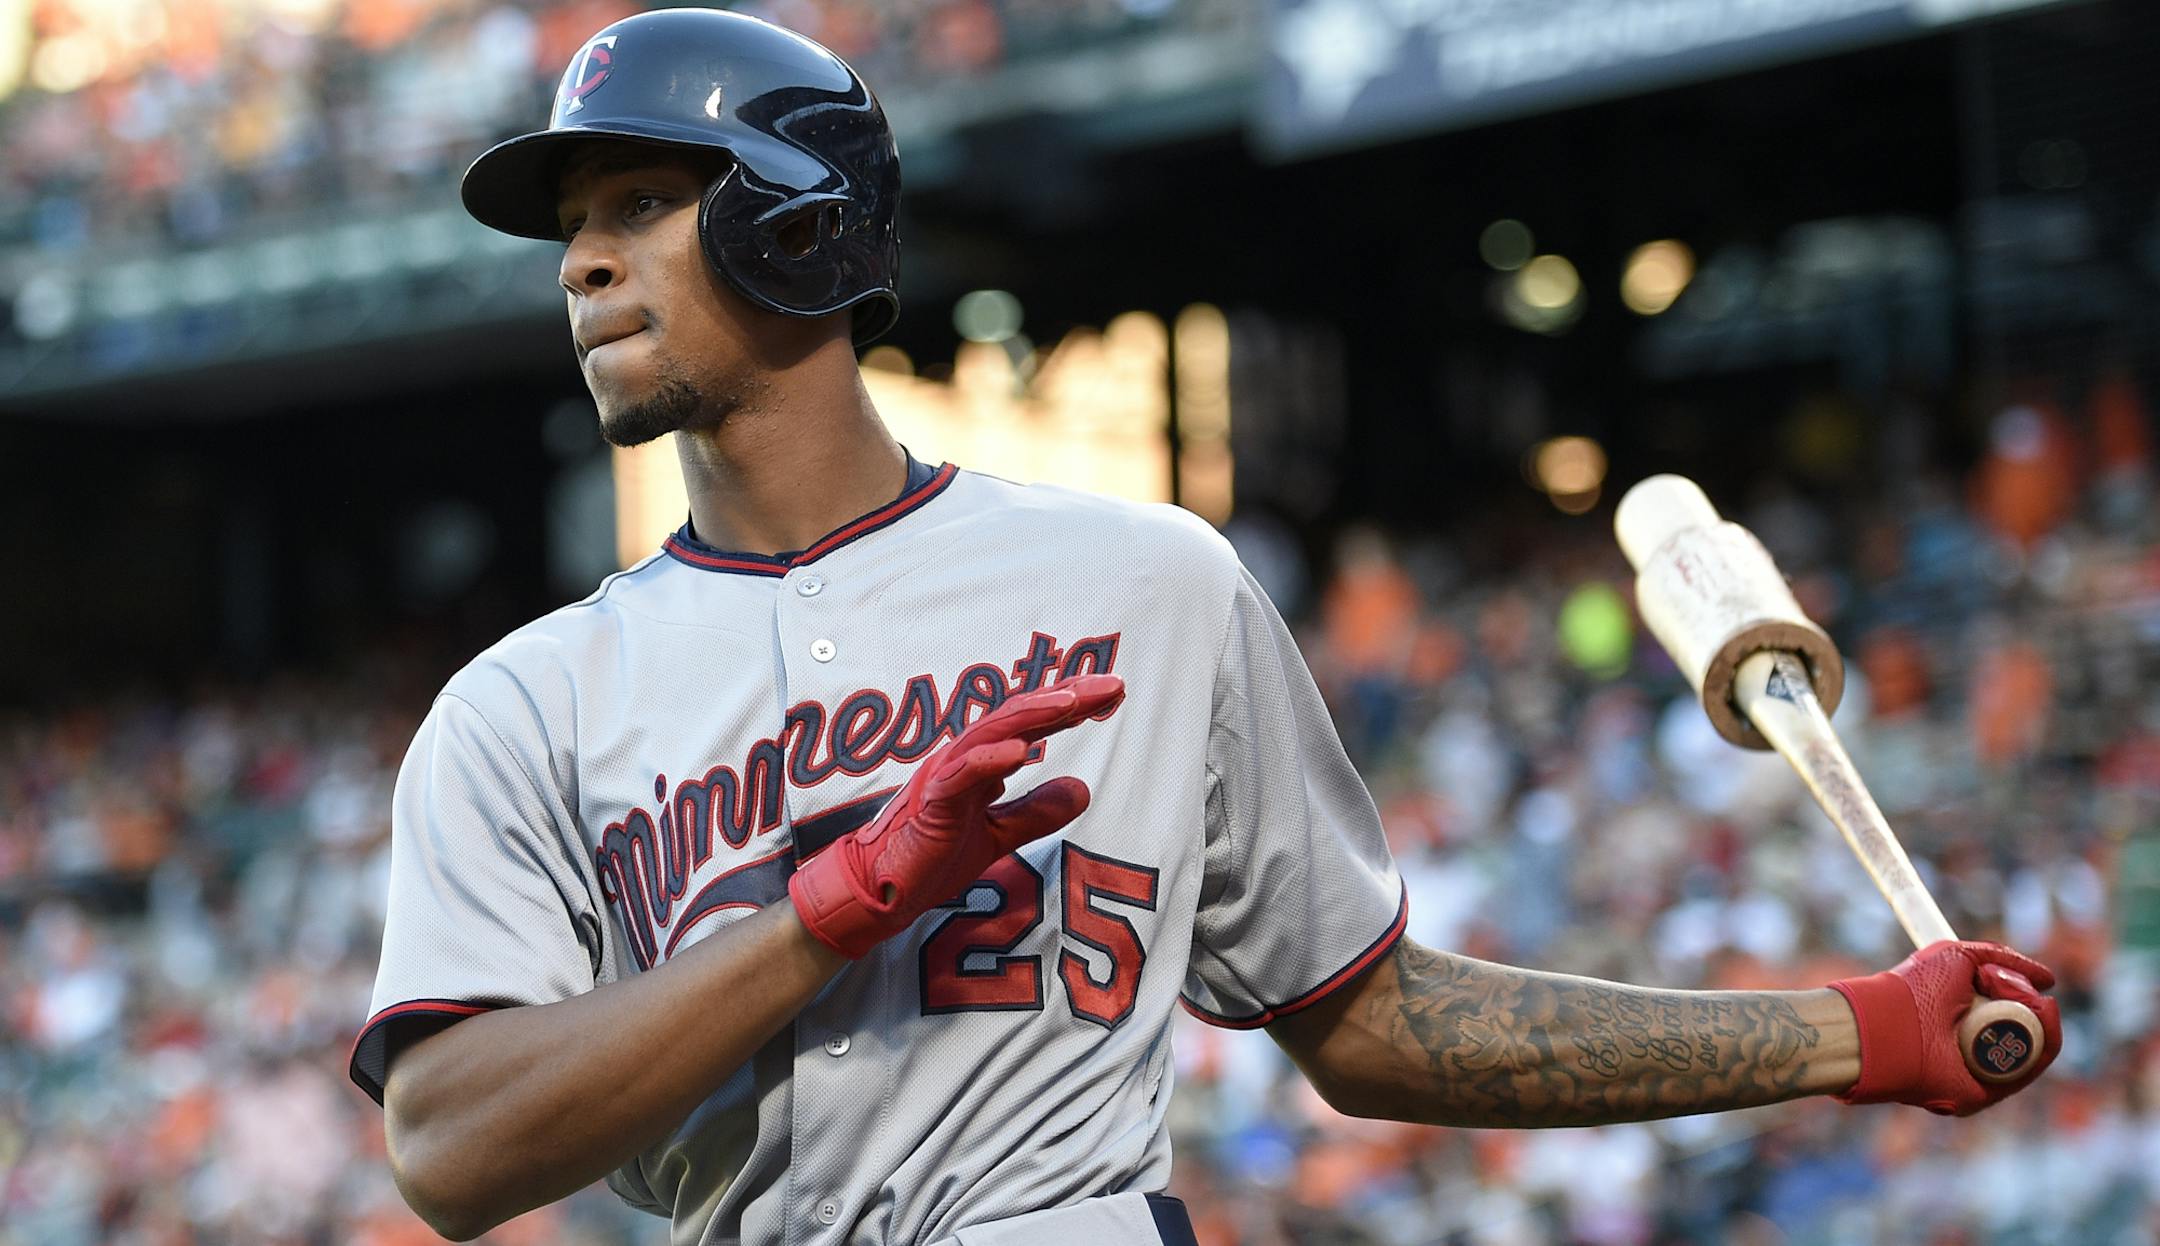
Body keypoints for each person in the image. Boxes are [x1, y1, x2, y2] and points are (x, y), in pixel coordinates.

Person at [349, 10, 2064, 1244]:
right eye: (571, 229)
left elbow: (1371, 1019)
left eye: (639, 204)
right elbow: (450, 1148)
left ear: (798, 222)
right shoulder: (523, 706)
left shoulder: (1146, 582)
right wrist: (835, 904)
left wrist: (1857, 1031)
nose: (579, 264)